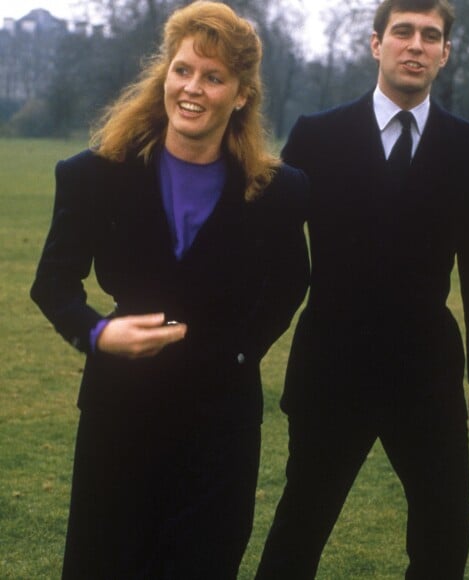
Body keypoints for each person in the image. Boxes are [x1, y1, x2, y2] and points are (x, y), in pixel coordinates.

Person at [30, 2, 309, 578]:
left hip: (220, 424)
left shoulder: (278, 192)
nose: (193, 88)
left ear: (240, 96)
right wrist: (100, 332)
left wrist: (238, 351)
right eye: (183, 70)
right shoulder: (92, 175)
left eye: (214, 77)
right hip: (119, 414)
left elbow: (291, 282)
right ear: (165, 75)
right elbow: (53, 282)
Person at [255, 0, 469, 578]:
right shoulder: (318, 135)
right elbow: (268, 242)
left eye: (430, 35)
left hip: (424, 376)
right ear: (376, 44)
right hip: (331, 372)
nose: (414, 45)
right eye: (402, 32)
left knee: (445, 534)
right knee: (299, 529)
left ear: (445, 53)